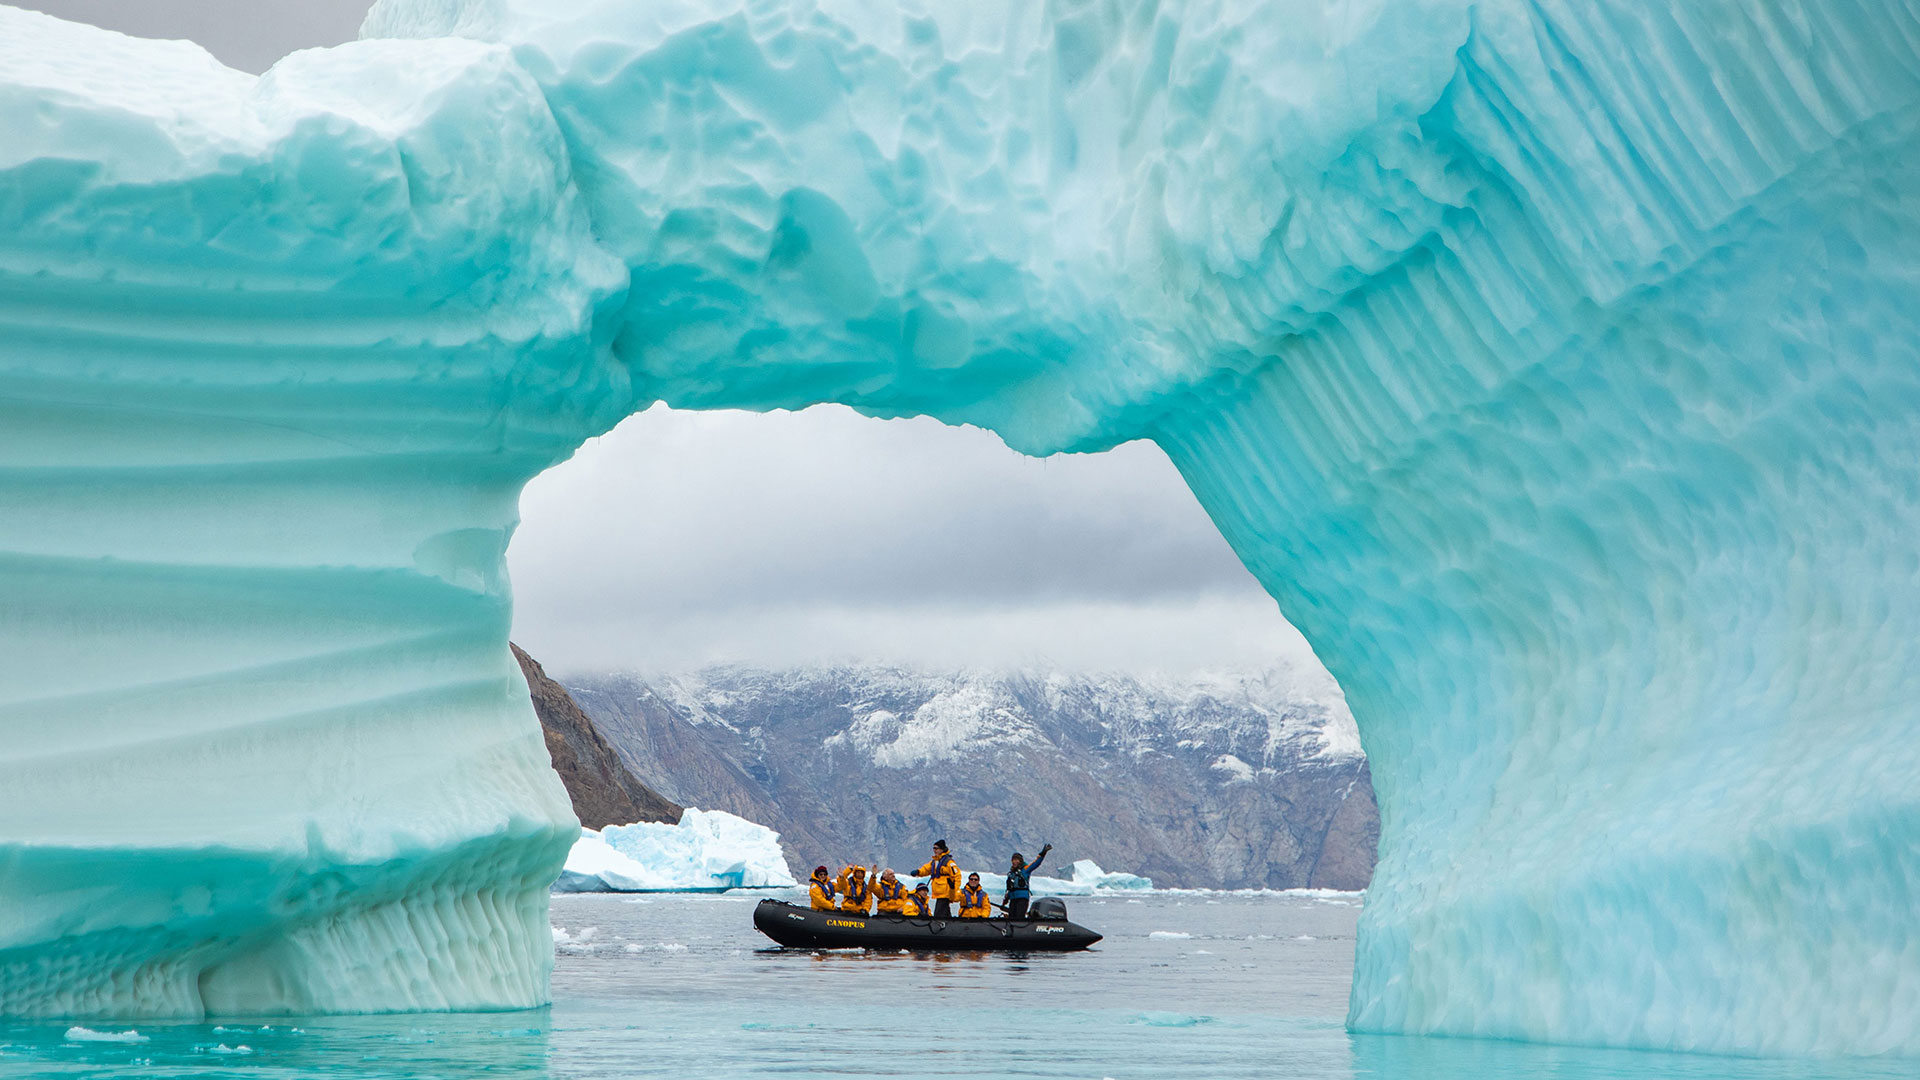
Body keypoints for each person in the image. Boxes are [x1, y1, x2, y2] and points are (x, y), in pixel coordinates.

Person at [914, 839, 964, 919]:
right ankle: (949, 926)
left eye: (936, 848)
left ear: (942, 849)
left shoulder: (949, 862)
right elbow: (927, 869)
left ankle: (940, 926)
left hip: (945, 892)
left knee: (939, 913)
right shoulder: (935, 861)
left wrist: (953, 888)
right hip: (938, 892)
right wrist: (918, 872)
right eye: (934, 848)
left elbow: (957, 876)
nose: (934, 850)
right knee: (944, 911)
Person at [1002, 842, 1052, 920]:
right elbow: (1009, 888)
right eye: (1013, 860)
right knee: (1011, 918)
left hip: (1022, 899)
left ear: (1020, 861)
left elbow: (1036, 863)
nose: (1014, 862)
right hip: (1013, 899)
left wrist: (1042, 854)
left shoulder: (1025, 870)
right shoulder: (1011, 874)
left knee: (1019, 917)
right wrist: (1006, 900)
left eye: (1016, 860)